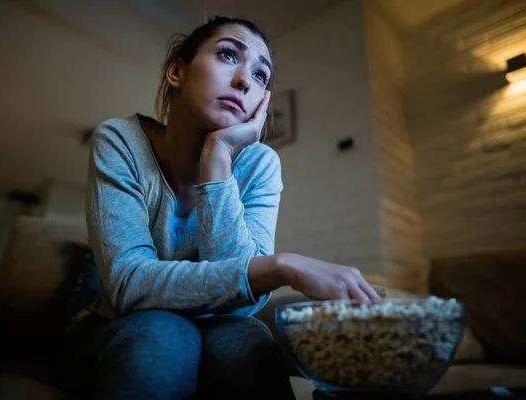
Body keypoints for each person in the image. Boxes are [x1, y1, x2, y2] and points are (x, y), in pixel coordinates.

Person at [59, 16, 381, 400]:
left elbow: (241, 309)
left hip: (216, 325)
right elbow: (130, 284)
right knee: (163, 333)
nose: (246, 80)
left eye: (261, 77)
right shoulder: (119, 141)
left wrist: (219, 161)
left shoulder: (261, 164)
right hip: (116, 326)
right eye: (229, 55)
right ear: (177, 70)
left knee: (245, 340)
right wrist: (283, 265)